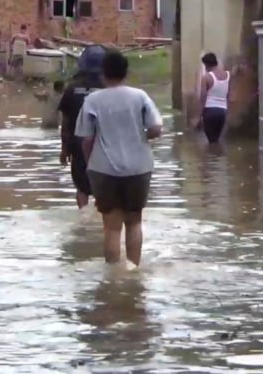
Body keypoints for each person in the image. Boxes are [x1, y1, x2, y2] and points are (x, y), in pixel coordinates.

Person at [75, 50, 163, 266]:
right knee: (134, 222)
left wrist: (89, 164)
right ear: (126, 72)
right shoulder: (140, 96)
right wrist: (141, 137)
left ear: (103, 74)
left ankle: (114, 277)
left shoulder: (93, 100)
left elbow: (86, 139)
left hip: (104, 169)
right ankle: (134, 269)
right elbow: (156, 128)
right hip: (138, 167)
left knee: (112, 228)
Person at [58, 45, 106, 209]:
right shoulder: (108, 89)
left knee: (81, 188)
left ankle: (83, 218)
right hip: (102, 145)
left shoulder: (72, 88)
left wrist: (64, 149)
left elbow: (65, 122)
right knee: (102, 187)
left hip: (77, 143)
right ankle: (100, 220)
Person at [198, 52, 230, 143]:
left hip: (209, 111)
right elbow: (229, 94)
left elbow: (202, 98)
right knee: (217, 139)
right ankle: (218, 156)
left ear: (206, 64)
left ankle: (212, 156)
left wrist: (199, 116)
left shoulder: (206, 77)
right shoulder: (227, 75)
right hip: (222, 112)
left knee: (211, 141)